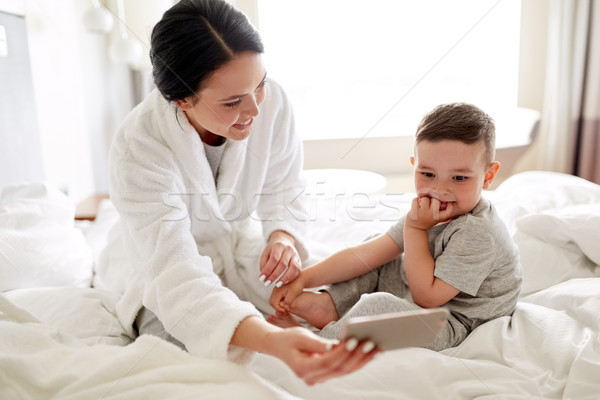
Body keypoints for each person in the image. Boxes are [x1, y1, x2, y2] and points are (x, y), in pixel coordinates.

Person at [94, 0, 376, 385]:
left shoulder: (269, 100)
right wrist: (272, 340)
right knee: (180, 354)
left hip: (235, 243)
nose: (256, 109)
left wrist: (282, 235)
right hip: (159, 264)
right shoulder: (139, 146)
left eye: (259, 84)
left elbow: (283, 186)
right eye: (232, 102)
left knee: (327, 293)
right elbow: (175, 274)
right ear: (182, 99)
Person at [269, 102, 523, 351]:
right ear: (415, 166)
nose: (440, 189)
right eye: (428, 174)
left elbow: (427, 299)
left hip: (455, 323)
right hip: (423, 292)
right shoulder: (429, 210)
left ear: (488, 176)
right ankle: (328, 305)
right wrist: (304, 279)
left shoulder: (477, 232)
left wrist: (415, 230)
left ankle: (320, 340)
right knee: (378, 255)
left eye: (459, 178)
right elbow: (368, 253)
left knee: (379, 306)